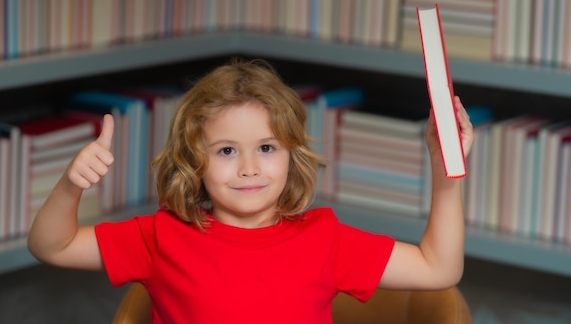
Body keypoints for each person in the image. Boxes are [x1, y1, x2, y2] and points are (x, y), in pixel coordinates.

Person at [27, 58, 474, 324]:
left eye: (265, 147)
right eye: (225, 151)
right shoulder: (161, 236)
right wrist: (71, 186)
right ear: (194, 160)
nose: (248, 168)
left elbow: (439, 269)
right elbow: (53, 246)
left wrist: (445, 173)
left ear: (291, 154)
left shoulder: (325, 239)